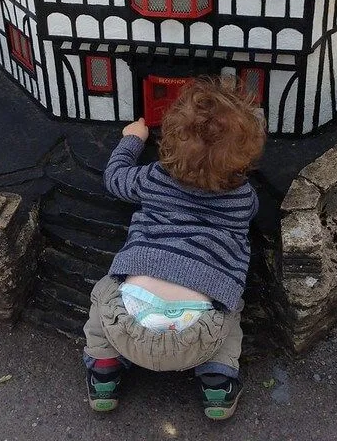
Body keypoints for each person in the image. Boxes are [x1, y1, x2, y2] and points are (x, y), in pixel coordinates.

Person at [83, 77, 265, 421]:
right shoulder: (243, 199)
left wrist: (132, 141)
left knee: (102, 292)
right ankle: (218, 381)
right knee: (231, 307)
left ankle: (104, 369)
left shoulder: (154, 178)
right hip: (199, 333)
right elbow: (252, 212)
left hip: (129, 325)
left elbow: (115, 178)